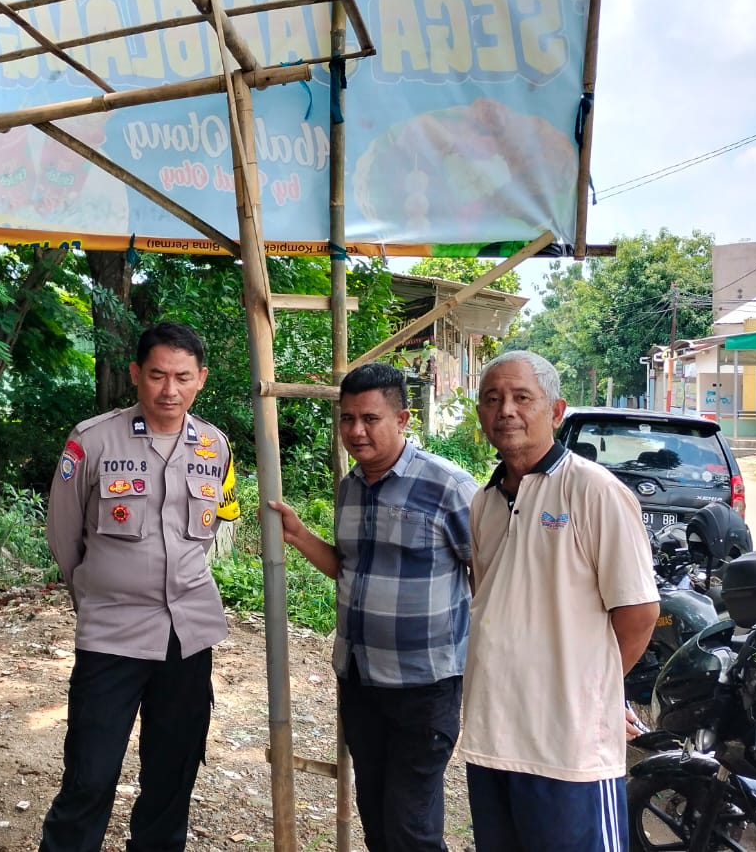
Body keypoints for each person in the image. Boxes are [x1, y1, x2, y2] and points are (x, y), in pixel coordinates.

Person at [39, 322, 240, 852]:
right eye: (157, 375)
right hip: (112, 634)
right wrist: (100, 595)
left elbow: (208, 533)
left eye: (182, 377)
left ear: (201, 378)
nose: (169, 390)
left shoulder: (215, 446)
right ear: (135, 374)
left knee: (172, 777)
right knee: (90, 774)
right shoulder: (92, 440)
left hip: (189, 636)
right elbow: (63, 536)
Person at [269, 362, 477, 852]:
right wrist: (299, 536)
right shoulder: (351, 487)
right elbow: (351, 569)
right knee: (378, 822)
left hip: (424, 687)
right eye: (347, 418)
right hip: (361, 681)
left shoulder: (449, 486)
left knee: (411, 828)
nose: (356, 431)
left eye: (370, 419)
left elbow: (487, 573)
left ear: (402, 419)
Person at [460, 350, 660, 852]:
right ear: (481, 413)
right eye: (492, 399)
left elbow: (638, 613)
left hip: (570, 751)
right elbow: (490, 599)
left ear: (555, 411)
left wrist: (592, 691)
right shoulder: (483, 502)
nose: (506, 410)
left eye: (521, 397)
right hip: (493, 739)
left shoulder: (593, 492)